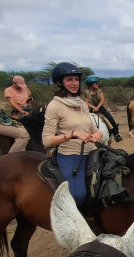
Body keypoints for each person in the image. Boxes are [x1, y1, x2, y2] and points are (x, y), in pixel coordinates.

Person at [41, 62, 103, 206]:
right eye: (70, 79)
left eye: (76, 79)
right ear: (59, 82)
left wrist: (98, 133)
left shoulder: (81, 103)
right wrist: (72, 134)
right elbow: (46, 140)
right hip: (70, 155)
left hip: (93, 152)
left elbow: (92, 128)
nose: (75, 83)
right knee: (78, 195)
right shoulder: (54, 106)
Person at [83, 76, 123, 142]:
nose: (97, 84)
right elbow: (86, 102)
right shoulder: (86, 92)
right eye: (96, 83)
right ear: (91, 84)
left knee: (111, 120)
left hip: (100, 108)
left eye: (97, 83)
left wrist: (97, 107)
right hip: (91, 109)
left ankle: (117, 134)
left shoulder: (100, 90)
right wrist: (93, 107)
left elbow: (102, 100)